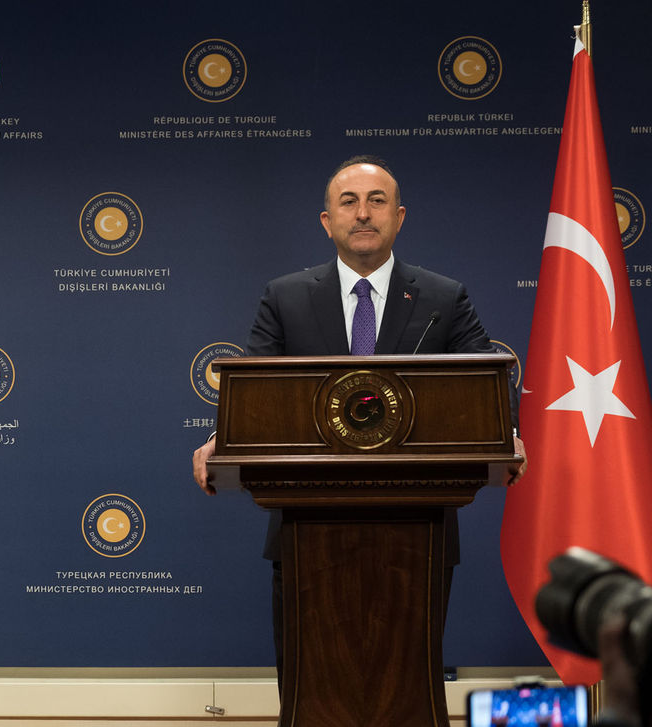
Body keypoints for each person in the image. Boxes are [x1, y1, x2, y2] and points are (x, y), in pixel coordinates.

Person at [190, 154, 525, 674]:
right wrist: (223, 437)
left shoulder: (442, 297)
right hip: (306, 530)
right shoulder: (285, 297)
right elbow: (253, 390)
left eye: (377, 201)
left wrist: (508, 433)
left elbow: (488, 378)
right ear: (328, 222)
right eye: (348, 202)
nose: (363, 213)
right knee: (311, 680)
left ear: (399, 216)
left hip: (420, 530)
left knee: (406, 677)